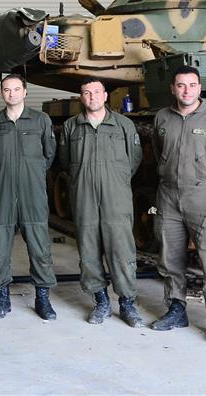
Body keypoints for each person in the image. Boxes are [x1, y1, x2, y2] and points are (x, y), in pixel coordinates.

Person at [150, 65, 206, 345]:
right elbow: (158, 152)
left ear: (200, 88)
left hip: (203, 196)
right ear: (173, 88)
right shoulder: (162, 117)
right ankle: (176, 310)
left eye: (191, 85)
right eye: (180, 85)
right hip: (168, 195)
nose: (186, 90)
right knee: (170, 258)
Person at [58, 78, 144, 327]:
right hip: (84, 195)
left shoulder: (124, 125)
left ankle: (127, 302)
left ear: (105, 96)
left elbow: (134, 159)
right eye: (86, 93)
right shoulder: (71, 126)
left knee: (121, 248)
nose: (92, 97)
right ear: (81, 98)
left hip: (116, 196)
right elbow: (66, 161)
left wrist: (115, 179)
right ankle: (101, 301)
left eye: (97, 92)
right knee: (88, 248)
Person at [0, 73, 58, 321]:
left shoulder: (40, 120)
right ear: (1, 93)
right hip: (3, 191)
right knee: (0, 245)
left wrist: (30, 173)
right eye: (6, 89)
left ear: (25, 92)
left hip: (32, 192)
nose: (11, 94)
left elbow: (49, 154)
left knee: (39, 245)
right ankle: (2, 296)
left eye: (16, 89)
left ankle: (42, 298)